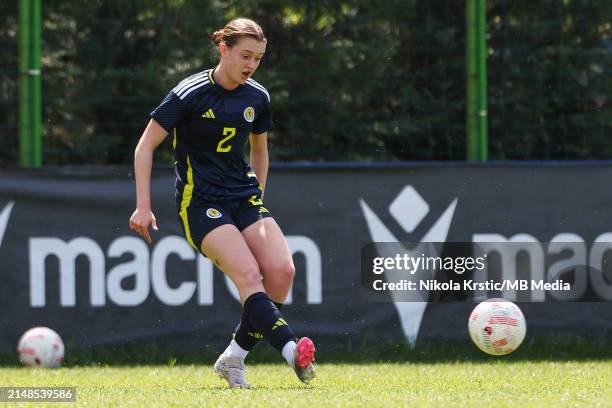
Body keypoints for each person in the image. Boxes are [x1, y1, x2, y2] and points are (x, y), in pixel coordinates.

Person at [129, 17, 316, 389]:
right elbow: (145, 146)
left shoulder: (257, 97)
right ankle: (291, 349)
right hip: (200, 204)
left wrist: (257, 202)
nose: (251, 65)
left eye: (258, 58)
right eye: (245, 55)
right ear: (223, 49)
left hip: (244, 199)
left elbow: (259, 151)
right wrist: (143, 206)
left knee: (282, 273)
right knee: (248, 275)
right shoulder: (189, 92)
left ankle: (234, 358)